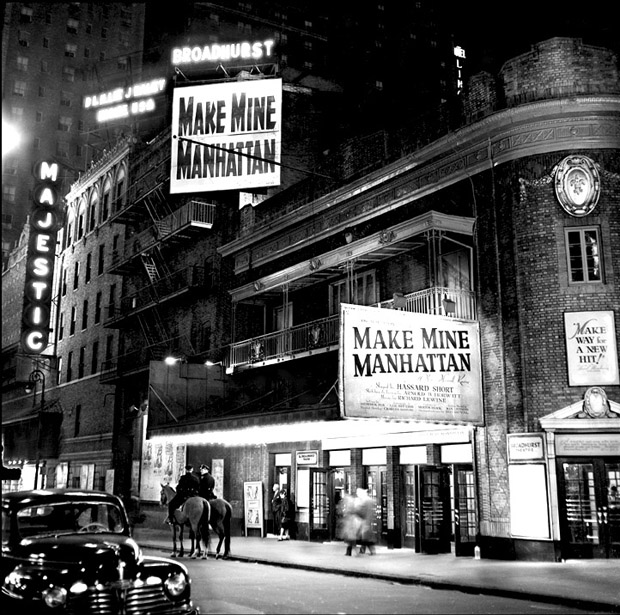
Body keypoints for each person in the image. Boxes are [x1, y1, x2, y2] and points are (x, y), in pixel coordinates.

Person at [338, 491, 361, 556]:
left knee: (351, 539)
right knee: (351, 540)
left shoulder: (350, 502)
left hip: (351, 525)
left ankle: (352, 552)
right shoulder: (353, 502)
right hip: (352, 525)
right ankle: (350, 552)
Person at [356, 488, 377, 555]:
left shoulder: (365, 501)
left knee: (366, 537)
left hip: (365, 521)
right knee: (366, 536)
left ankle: (370, 550)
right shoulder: (370, 500)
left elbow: (360, 511)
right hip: (368, 521)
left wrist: (356, 509)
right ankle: (363, 549)